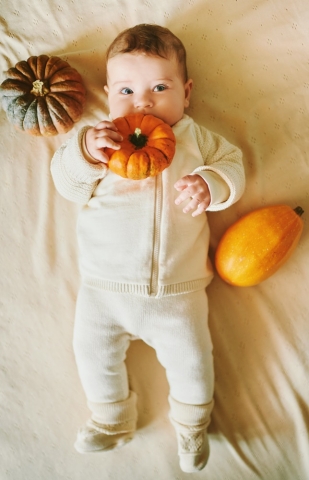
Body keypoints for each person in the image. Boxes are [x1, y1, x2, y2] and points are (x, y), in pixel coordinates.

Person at [51, 23, 245, 473]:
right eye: (126, 89)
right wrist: (85, 152)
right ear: (107, 93)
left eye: (160, 87)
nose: (144, 101)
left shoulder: (199, 141)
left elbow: (234, 168)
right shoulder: (101, 140)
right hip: (104, 288)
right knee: (91, 352)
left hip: (180, 294)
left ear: (187, 91)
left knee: (195, 363)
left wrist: (211, 185)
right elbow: (66, 182)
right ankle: (111, 416)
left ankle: (193, 427)